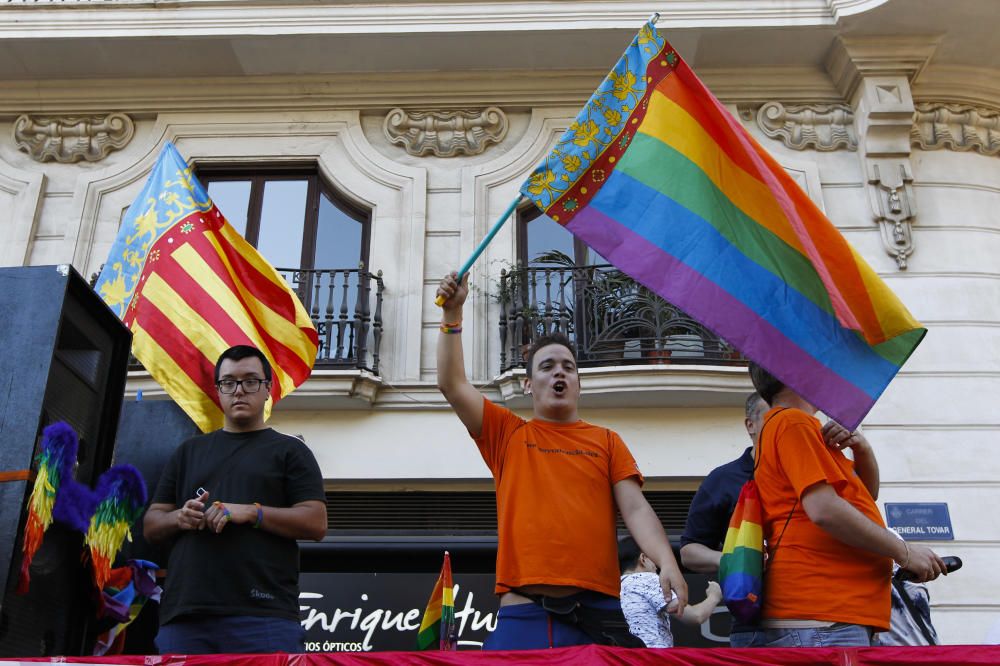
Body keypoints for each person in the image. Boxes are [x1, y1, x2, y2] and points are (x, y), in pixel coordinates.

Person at [435, 272, 687, 650]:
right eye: (548, 366)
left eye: (568, 367)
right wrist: (452, 315)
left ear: (579, 385)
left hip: (596, 615)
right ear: (527, 384)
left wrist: (667, 561)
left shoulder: (607, 441)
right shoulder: (506, 432)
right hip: (523, 615)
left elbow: (635, 510)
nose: (559, 372)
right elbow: (452, 385)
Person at [745, 362, 945, 648]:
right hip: (823, 615)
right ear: (797, 374)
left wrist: (861, 448)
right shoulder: (792, 422)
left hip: (829, 616)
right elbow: (825, 510)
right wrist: (904, 552)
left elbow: (865, 497)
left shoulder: (802, 427)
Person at [144, 345, 327, 654]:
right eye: (228, 382)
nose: (239, 391)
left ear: (268, 389)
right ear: (218, 391)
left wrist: (251, 513)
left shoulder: (291, 451)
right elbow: (151, 524)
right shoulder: (188, 451)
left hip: (263, 616)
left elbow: (316, 522)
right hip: (185, 615)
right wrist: (180, 517)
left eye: (250, 381)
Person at [679, 392, 768, 647]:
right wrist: (738, 559)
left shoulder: (801, 471)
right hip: (753, 624)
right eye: (770, 417)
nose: (780, 425)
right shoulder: (722, 479)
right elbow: (689, 551)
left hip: (811, 619)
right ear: (750, 425)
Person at [619, 536, 722, 648]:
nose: (657, 566)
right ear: (643, 558)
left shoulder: (616, 587)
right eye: (654, 558)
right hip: (651, 657)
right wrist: (714, 596)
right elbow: (695, 616)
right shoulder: (646, 579)